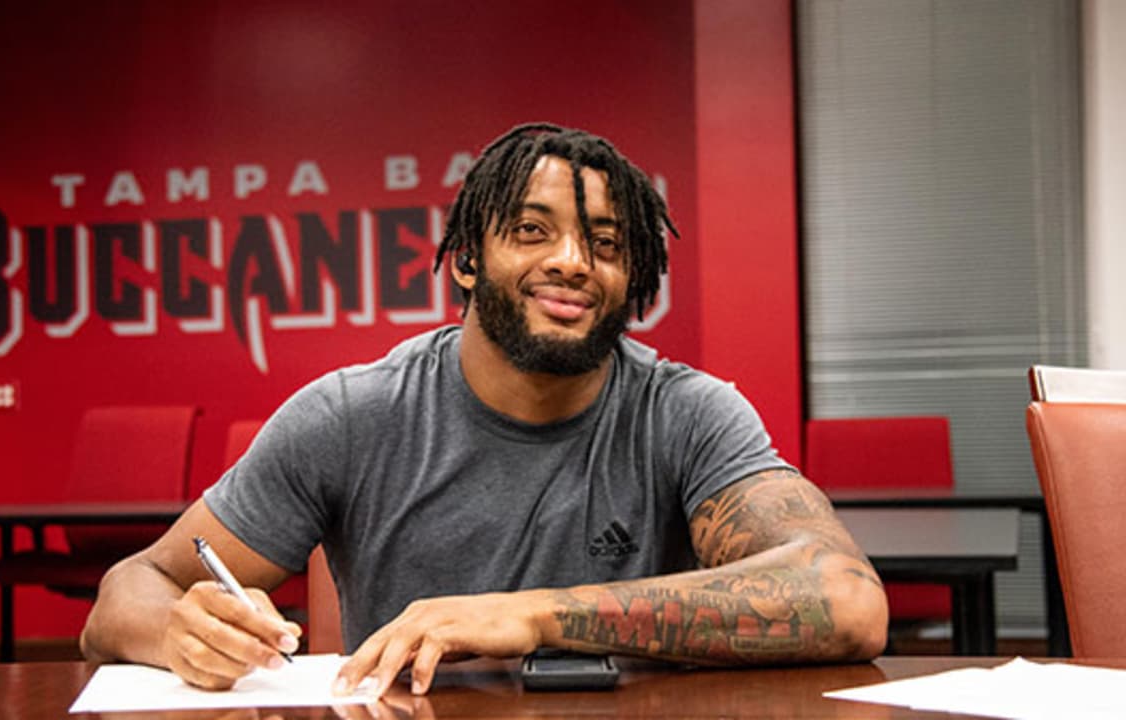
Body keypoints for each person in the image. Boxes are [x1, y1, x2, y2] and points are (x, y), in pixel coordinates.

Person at [80, 123, 888, 697]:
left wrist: (530, 616)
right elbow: (129, 589)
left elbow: (847, 599)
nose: (572, 263)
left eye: (606, 245)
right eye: (532, 231)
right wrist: (181, 631)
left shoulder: (688, 414)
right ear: (468, 260)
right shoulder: (350, 416)